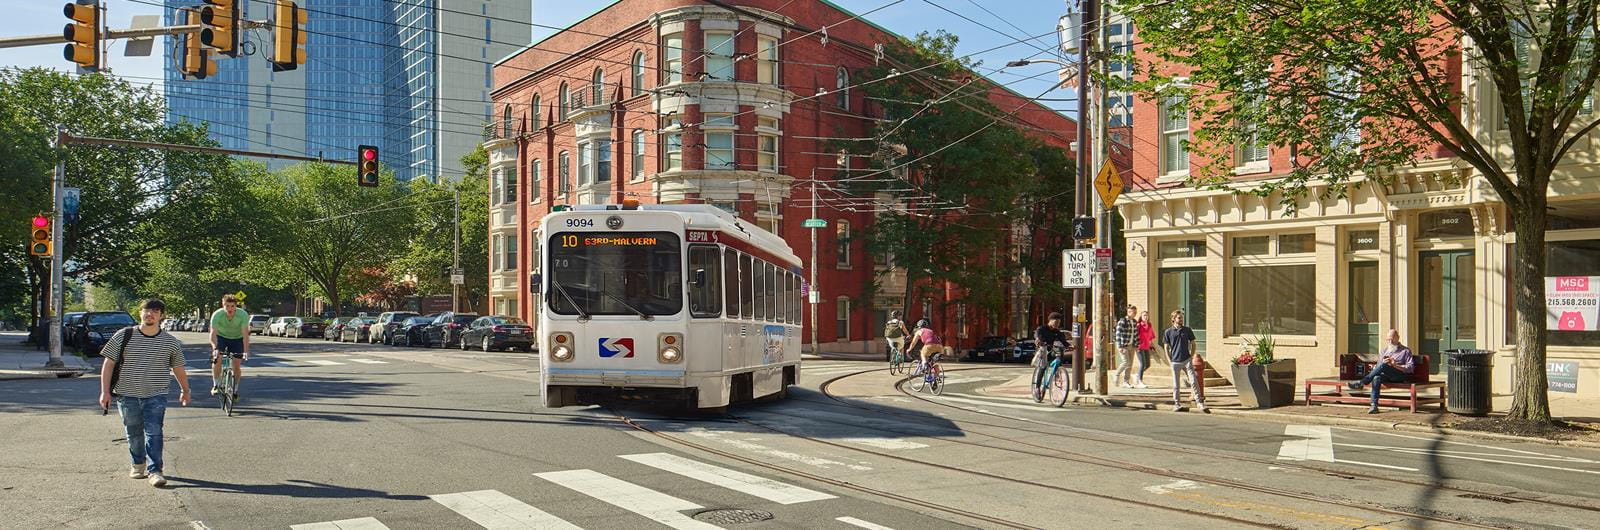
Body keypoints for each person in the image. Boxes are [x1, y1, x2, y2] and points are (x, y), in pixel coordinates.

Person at [98, 299, 190, 488]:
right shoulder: (123, 335)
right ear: (140, 313)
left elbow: (178, 367)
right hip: (126, 393)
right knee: (133, 432)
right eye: (146, 311)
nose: (150, 314)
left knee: (154, 431)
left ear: (161, 316)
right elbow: (108, 364)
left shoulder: (170, 342)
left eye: (155, 311)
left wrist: (185, 389)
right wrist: (104, 392)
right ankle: (138, 464)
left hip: (156, 393)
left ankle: (155, 470)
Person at [1348, 329, 1413, 414]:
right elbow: (1379, 366)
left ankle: (1362, 383)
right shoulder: (1384, 351)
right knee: (1376, 378)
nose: (1390, 341)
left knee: (1383, 365)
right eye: (1388, 339)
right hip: (1386, 375)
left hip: (1399, 376)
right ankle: (1374, 406)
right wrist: (1379, 365)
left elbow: (1410, 368)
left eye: (1392, 339)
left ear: (1398, 338)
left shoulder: (1405, 351)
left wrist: (1395, 365)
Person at [1161, 309, 1207, 412]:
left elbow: (1193, 343)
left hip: (1187, 360)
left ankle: (1199, 402)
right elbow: (1166, 347)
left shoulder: (1187, 330)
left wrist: (1191, 356)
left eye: (1182, 317)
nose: (1181, 319)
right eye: (1179, 317)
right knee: (1176, 385)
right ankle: (1177, 404)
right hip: (1175, 361)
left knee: (1193, 381)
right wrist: (1169, 360)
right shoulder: (1168, 332)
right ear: (1173, 319)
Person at [209, 294, 251, 399]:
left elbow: (245, 335)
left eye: (232, 306)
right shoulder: (217, 315)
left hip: (237, 338)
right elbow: (213, 333)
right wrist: (215, 348)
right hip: (221, 337)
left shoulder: (243, 315)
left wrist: (246, 351)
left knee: (236, 365)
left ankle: (235, 390)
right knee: (217, 358)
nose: (229, 309)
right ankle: (216, 385)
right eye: (227, 306)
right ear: (223, 305)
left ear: (236, 306)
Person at [1033, 312, 1070, 390]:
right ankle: (1037, 388)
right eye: (1056, 322)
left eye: (1058, 323)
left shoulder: (1057, 332)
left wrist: (1070, 346)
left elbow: (1064, 341)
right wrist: (1038, 340)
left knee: (1059, 356)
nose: (1057, 324)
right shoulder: (1042, 329)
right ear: (1050, 320)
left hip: (1051, 350)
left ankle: (1057, 372)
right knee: (1043, 366)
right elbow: (1037, 335)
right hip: (1042, 349)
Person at [1113, 305, 1138, 387]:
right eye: (1133, 312)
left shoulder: (1134, 321)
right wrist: (1120, 346)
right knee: (1125, 362)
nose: (1135, 313)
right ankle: (1116, 374)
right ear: (1128, 312)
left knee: (1130, 364)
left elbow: (1135, 334)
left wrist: (1136, 345)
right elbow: (1118, 334)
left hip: (1131, 345)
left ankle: (1126, 381)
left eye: (1135, 312)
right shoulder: (1122, 321)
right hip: (1123, 345)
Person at [1133, 310, 1155, 389]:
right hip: (1139, 347)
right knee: (1142, 364)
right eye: (1144, 315)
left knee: (1148, 365)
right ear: (1141, 317)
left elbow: (1151, 336)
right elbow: (1135, 336)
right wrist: (1136, 346)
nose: (1145, 317)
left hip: (1146, 347)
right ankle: (1140, 381)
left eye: (1146, 315)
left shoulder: (1149, 325)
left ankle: (1137, 375)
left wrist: (1151, 344)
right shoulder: (1139, 325)